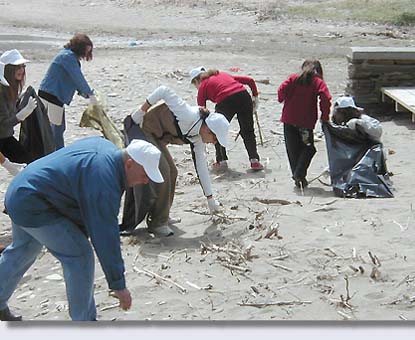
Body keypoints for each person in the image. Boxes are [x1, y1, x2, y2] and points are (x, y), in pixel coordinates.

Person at [0, 137, 164, 321]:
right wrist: (118, 284)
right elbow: (105, 235)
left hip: (21, 189)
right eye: (145, 174)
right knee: (79, 256)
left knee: (24, 249)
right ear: (130, 164)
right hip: (32, 202)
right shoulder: (104, 179)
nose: (145, 181)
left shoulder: (106, 149)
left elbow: (76, 193)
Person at [122, 85, 230, 237]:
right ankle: (157, 223)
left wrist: (210, 199)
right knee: (164, 170)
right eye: (215, 139)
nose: (214, 143)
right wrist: (141, 111)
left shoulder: (198, 138)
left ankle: (163, 214)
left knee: (172, 171)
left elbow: (201, 168)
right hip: (142, 128)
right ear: (208, 129)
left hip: (156, 137)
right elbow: (163, 90)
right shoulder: (187, 114)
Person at [189, 66, 263, 171]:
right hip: (243, 96)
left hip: (226, 100)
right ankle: (254, 160)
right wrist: (255, 97)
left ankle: (221, 161)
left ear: (196, 80)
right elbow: (250, 81)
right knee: (248, 131)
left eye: (194, 84)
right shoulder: (223, 75)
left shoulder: (203, 86)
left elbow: (201, 110)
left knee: (217, 129)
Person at [277, 59, 332, 189]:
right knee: (308, 148)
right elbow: (326, 98)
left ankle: (299, 179)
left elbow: (281, 91)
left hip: (288, 119)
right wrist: (324, 117)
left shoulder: (293, 78)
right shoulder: (317, 82)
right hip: (305, 122)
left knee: (293, 150)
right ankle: (299, 175)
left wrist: (283, 99)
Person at [39, 33, 97, 149]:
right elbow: (77, 78)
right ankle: (57, 154)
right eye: (86, 50)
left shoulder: (68, 56)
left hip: (52, 95)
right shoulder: (67, 57)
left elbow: (74, 81)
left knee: (58, 128)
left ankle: (55, 153)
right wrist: (90, 94)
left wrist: (86, 94)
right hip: (51, 95)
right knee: (56, 131)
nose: (86, 54)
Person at [0, 51, 37, 165]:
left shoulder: (10, 89)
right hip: (2, 138)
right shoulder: (1, 92)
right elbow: (3, 124)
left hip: (5, 137)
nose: (21, 70)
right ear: (8, 69)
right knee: (26, 163)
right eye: (17, 67)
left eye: (23, 66)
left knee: (27, 162)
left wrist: (20, 104)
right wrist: (22, 115)